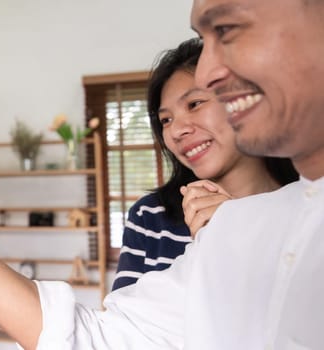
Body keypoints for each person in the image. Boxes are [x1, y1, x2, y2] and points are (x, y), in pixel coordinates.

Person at [0, 0, 324, 348]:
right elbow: (96, 336)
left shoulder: (255, 227)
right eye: (165, 119)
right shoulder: (233, 235)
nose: (214, 69)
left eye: (229, 31)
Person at [112, 38, 298, 290]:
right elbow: (125, 326)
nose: (176, 130)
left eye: (194, 104)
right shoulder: (149, 218)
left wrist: (238, 236)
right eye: (166, 120)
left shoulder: (307, 209)